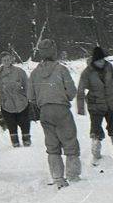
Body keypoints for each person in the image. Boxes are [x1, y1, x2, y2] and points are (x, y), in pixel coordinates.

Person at [27, 39, 80, 189]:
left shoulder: (35, 73)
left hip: (44, 111)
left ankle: (57, 177)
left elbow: (30, 96)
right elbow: (71, 92)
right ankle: (73, 176)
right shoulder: (61, 69)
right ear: (53, 51)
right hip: (61, 109)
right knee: (70, 142)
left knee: (52, 146)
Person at [76, 47, 113, 166]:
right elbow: (80, 90)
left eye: (102, 60)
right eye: (98, 60)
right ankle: (96, 156)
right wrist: (81, 108)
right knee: (96, 131)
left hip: (111, 104)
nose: (101, 62)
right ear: (94, 61)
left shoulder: (109, 67)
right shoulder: (87, 72)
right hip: (96, 106)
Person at [0, 51, 31, 147]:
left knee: (24, 122)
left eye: (8, 59)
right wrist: (1, 100)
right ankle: (15, 141)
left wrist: (26, 97)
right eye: (4, 60)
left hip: (21, 101)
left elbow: (27, 85)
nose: (6, 61)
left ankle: (26, 139)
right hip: (7, 103)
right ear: (1, 61)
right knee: (11, 123)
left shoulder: (19, 71)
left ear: (11, 60)